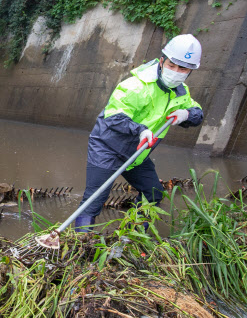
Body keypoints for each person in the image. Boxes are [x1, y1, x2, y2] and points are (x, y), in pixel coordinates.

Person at [75, 34, 204, 232]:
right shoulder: (135, 86)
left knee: (153, 193)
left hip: (138, 153)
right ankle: (79, 245)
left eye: (183, 69)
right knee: (94, 199)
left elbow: (198, 114)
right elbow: (113, 117)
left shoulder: (181, 93)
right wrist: (141, 130)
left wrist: (187, 113)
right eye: (172, 65)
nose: (176, 72)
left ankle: (133, 236)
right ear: (162, 62)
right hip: (107, 148)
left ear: (190, 71)